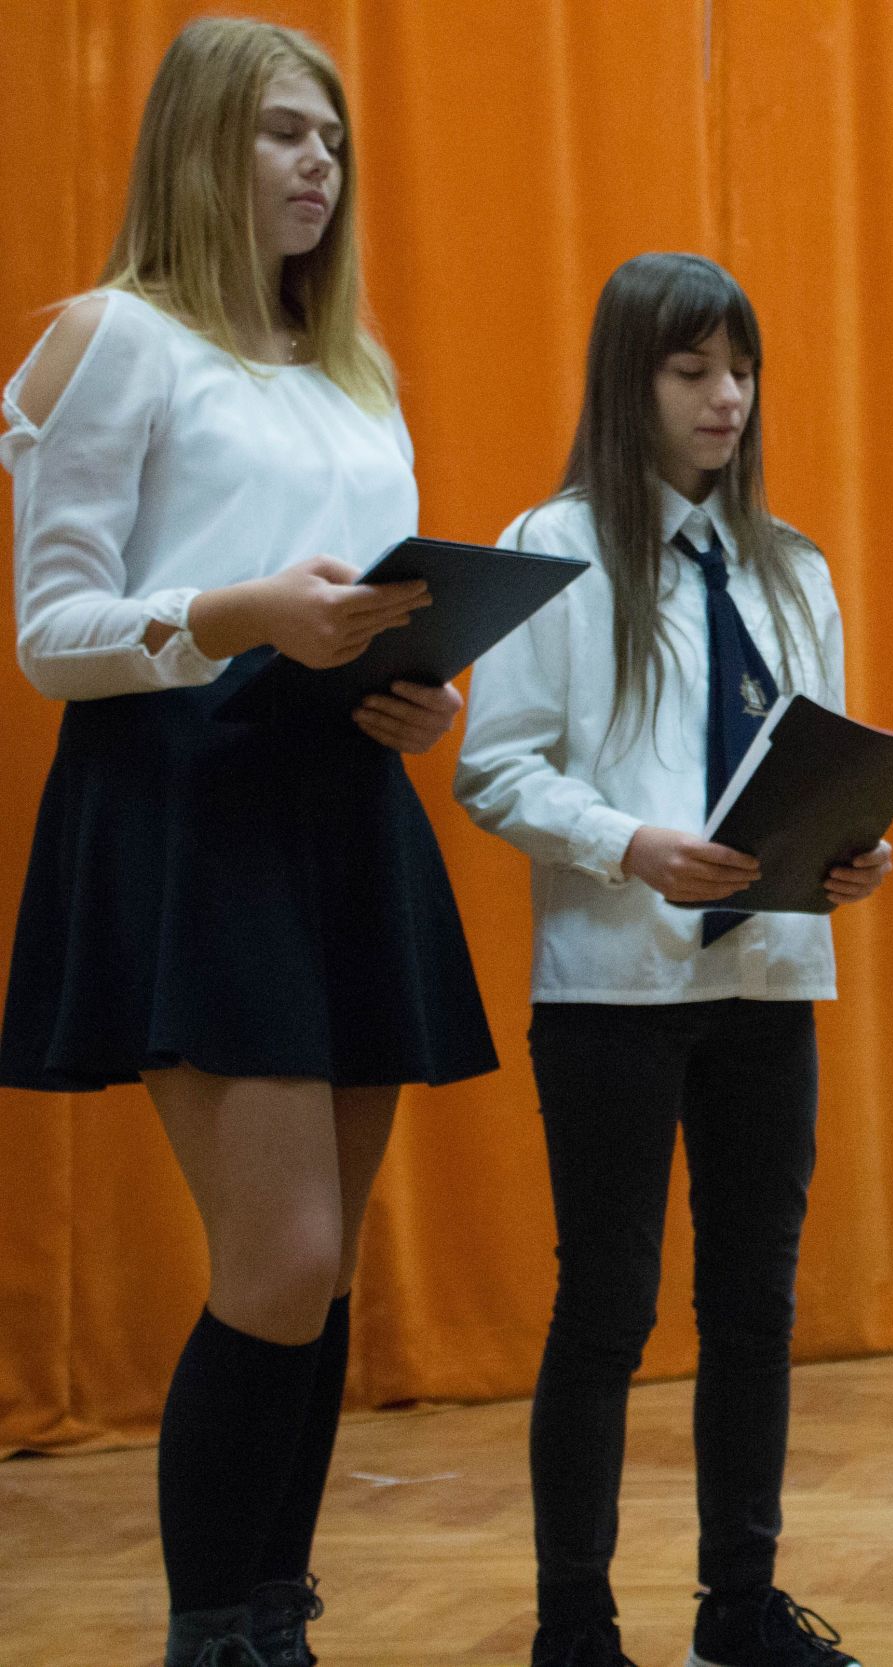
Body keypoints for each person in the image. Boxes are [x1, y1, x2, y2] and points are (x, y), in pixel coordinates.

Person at [0, 19, 495, 1666]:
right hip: (188, 804)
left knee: (325, 1269)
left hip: (340, 802)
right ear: (202, 145)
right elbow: (52, 634)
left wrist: (417, 695)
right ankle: (212, 1633)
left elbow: (363, 611)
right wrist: (241, 612)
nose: (318, 164)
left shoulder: (359, 373)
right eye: (286, 131)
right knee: (278, 1258)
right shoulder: (114, 338)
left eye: (333, 139)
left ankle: (274, 1616)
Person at [456, 254, 890, 1667]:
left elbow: (817, 761)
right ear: (627, 380)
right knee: (607, 1306)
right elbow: (494, 766)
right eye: (692, 369)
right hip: (615, 988)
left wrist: (851, 849)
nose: (726, 398)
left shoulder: (794, 566)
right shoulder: (555, 546)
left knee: (754, 1305)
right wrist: (627, 842)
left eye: (742, 370)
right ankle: (574, 1623)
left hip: (766, 979)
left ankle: (738, 1606)